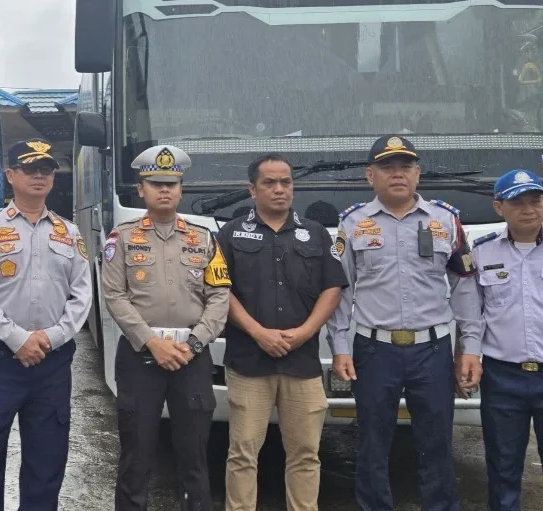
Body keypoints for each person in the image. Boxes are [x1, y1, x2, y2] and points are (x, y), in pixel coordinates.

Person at [326, 135, 483, 511]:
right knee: (373, 444)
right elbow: (340, 291)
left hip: (432, 350)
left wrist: (470, 347)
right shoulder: (353, 223)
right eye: (387, 167)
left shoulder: (446, 220)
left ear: (418, 173)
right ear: (370, 175)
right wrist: (340, 348)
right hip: (373, 350)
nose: (398, 174)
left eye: (406, 166)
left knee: (436, 443)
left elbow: (463, 288)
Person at [0, 139, 92, 510]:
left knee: (47, 462)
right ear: (10, 175)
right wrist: (17, 338)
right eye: (30, 168)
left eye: (46, 170)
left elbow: (81, 296)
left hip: (52, 363)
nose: (38, 176)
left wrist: (50, 338)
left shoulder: (70, 232)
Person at [100, 144, 231, 511]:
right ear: (140, 189)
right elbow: (114, 296)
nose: (164, 190)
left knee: (194, 457)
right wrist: (151, 342)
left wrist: (195, 343)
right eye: (155, 183)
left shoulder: (202, 238)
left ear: (181, 189)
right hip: (141, 356)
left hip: (192, 356)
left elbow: (219, 295)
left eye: (171, 184)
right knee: (137, 454)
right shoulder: (121, 238)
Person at [216, 154, 348, 511]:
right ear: (252, 189)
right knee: (243, 453)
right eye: (269, 183)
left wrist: (307, 332)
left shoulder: (316, 232)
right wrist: (258, 332)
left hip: (301, 363)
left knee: (306, 454)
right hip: (248, 362)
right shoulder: (230, 233)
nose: (279, 190)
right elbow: (219, 290)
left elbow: (333, 287)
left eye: (286, 182)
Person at [467, 168, 543, 511]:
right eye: (518, 203)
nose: (529, 209)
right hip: (503, 377)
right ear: (499, 208)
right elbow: (472, 314)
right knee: (503, 468)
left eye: (536, 201)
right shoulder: (482, 253)